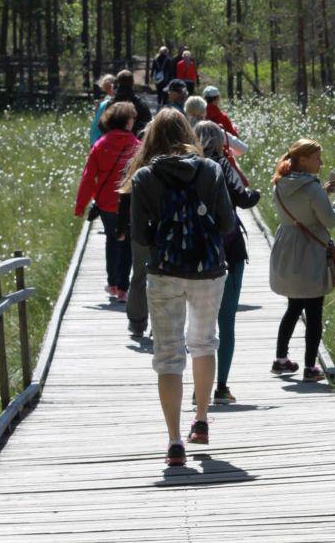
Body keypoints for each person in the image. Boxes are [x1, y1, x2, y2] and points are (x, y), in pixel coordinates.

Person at [127, 109, 235, 467]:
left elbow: (141, 236)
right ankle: (201, 421)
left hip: (164, 271)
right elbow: (226, 224)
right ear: (187, 132)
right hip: (208, 271)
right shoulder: (211, 170)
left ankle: (174, 441)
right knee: (204, 342)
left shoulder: (144, 177)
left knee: (168, 355)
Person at [268, 139, 335, 382]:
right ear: (303, 160)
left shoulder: (280, 183)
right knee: (314, 311)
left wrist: (321, 192)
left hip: (287, 247)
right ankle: (310, 367)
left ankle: (281, 359)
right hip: (310, 251)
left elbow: (300, 208)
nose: (321, 163)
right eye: (317, 158)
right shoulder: (311, 188)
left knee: (293, 307)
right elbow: (329, 220)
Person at [196, 121, 260, 404]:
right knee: (226, 321)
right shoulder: (221, 165)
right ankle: (221, 387)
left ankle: (200, 388)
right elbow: (243, 199)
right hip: (227, 251)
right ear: (220, 141)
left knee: (200, 325)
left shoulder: (187, 166)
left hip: (194, 253)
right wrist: (256, 193)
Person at [74, 102, 140, 302]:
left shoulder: (100, 145)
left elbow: (88, 178)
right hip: (129, 204)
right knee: (127, 243)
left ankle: (112, 283)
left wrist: (80, 206)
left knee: (112, 240)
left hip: (106, 203)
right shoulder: (137, 146)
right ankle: (123, 288)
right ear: (128, 122)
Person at [111, 68, 152, 134]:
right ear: (132, 83)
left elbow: (103, 124)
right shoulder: (141, 104)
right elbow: (148, 124)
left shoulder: (111, 103)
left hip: (113, 140)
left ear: (118, 83)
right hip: (135, 141)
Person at [88, 74, 116, 146]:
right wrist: (97, 108)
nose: (107, 91)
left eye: (108, 88)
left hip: (101, 137)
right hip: (96, 137)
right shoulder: (107, 98)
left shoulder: (115, 100)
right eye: (105, 89)